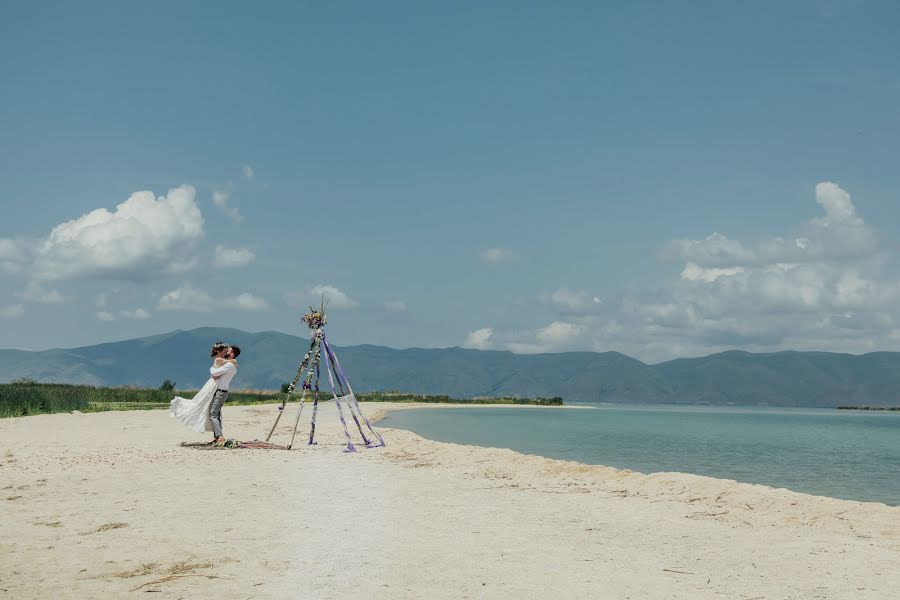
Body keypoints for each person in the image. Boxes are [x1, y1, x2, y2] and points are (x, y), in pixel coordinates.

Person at [169, 342, 234, 439]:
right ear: (219, 351)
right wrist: (233, 361)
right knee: (206, 406)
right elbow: (222, 368)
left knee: (210, 409)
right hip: (213, 385)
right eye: (224, 350)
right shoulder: (219, 359)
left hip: (214, 384)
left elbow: (215, 373)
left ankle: (218, 436)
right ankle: (219, 436)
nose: (225, 352)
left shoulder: (220, 360)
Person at [208, 344, 241, 444]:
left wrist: (211, 370)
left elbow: (215, 373)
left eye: (228, 351)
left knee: (213, 414)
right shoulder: (229, 363)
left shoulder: (230, 366)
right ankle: (217, 437)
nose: (226, 352)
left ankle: (220, 437)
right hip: (220, 391)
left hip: (221, 392)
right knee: (216, 414)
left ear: (232, 354)